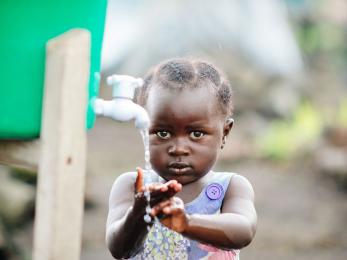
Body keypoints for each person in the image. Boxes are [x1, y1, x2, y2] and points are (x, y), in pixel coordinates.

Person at [106, 58, 257, 260]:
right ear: (144, 129)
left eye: (196, 134)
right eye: (162, 133)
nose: (178, 149)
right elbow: (119, 248)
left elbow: (244, 230)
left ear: (225, 133)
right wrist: (139, 213)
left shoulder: (231, 187)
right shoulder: (132, 186)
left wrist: (186, 223)